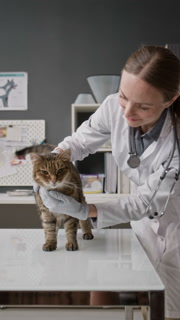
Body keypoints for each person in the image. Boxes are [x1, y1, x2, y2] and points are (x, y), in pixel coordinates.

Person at [40, 45, 180, 320]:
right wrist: (52, 158)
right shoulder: (112, 108)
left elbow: (146, 202)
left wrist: (84, 211)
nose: (127, 112)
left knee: (171, 309)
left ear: (171, 99)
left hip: (175, 225)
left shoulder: (175, 145)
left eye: (143, 106)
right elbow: (80, 142)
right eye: (124, 97)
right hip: (143, 226)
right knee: (145, 300)